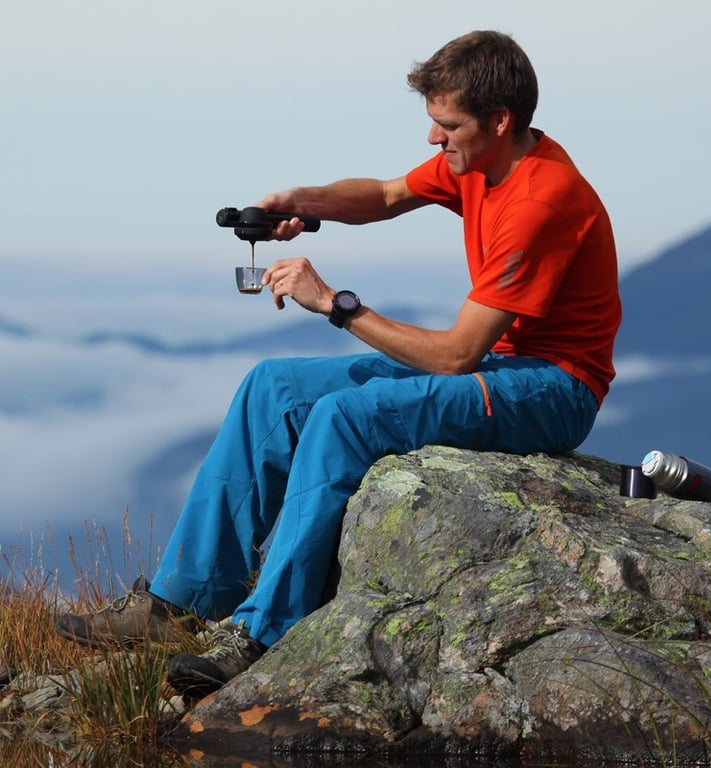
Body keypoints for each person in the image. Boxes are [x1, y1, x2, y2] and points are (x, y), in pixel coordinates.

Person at [55, 30, 621, 698]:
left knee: (346, 418)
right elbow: (383, 196)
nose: (435, 142)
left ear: (499, 121)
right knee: (274, 386)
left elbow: (456, 354)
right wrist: (301, 201)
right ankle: (179, 603)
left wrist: (336, 304)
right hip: (502, 363)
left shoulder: (539, 202)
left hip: (553, 386)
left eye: (447, 126)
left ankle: (263, 629)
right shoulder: (483, 161)